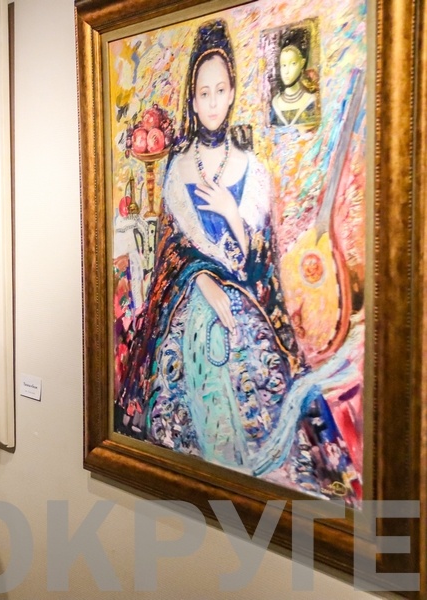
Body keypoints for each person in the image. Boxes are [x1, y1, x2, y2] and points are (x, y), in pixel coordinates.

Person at [115, 20, 357, 502]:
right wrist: (201, 280)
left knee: (249, 358)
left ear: (231, 94)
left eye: (220, 90)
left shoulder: (253, 169)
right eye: (202, 92)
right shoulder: (177, 169)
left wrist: (230, 212)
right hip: (189, 301)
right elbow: (170, 255)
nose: (211, 102)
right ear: (192, 98)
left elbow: (257, 266)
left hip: (245, 302)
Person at [270, 27, 319, 126]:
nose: (286, 71)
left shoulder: (310, 101)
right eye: (283, 65)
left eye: (292, 64)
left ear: (302, 63)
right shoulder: (275, 103)